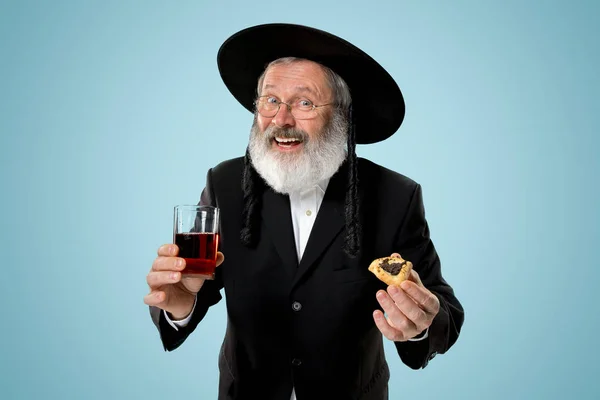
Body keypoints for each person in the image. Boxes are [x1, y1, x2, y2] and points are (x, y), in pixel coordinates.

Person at [145, 23, 464, 400]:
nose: (281, 119)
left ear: (343, 118)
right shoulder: (225, 182)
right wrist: (180, 303)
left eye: (305, 103)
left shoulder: (395, 196)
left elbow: (444, 311)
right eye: (270, 100)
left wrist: (421, 324)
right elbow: (195, 286)